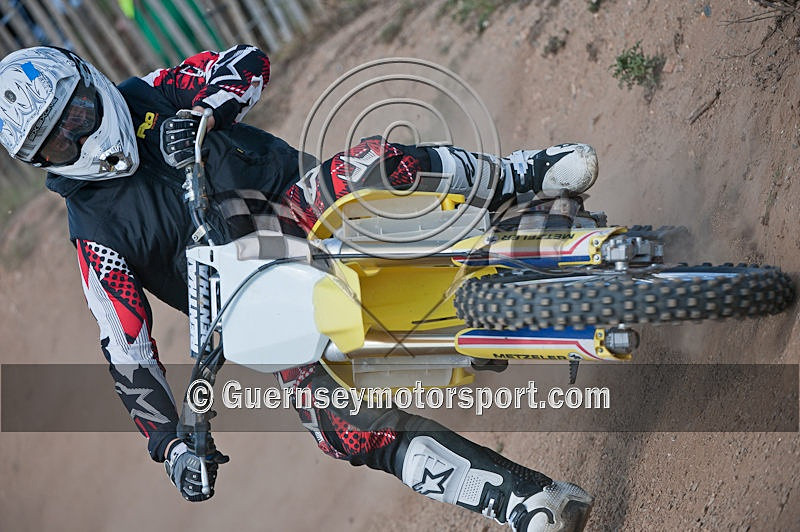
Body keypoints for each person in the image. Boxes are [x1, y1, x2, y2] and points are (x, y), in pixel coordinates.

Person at [0, 45, 598, 531]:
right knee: (339, 427)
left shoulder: (151, 92)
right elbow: (125, 350)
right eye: (57, 142)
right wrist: (173, 449)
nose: (78, 138)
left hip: (301, 205)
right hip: (259, 300)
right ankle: (523, 502)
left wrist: (204, 111)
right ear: (42, 160)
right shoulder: (94, 235)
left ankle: (523, 174)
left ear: (86, 81)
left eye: (75, 114)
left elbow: (244, 62)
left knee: (361, 167)